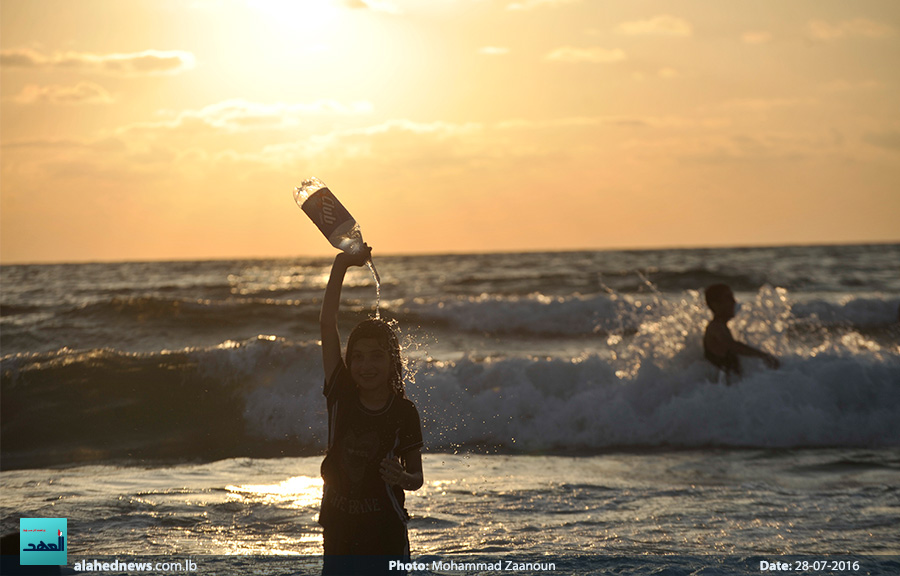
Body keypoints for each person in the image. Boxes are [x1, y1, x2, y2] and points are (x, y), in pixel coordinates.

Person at [318, 244, 424, 575]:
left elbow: (417, 478)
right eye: (359, 357)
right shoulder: (341, 397)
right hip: (338, 531)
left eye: (377, 355)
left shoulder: (404, 412)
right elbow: (327, 323)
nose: (366, 365)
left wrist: (404, 477)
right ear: (349, 363)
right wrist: (342, 264)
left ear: (393, 360)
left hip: (386, 534)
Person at [703, 283, 780, 382]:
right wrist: (763, 356)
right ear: (716, 305)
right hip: (720, 391)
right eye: (728, 298)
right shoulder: (715, 327)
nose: (734, 302)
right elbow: (732, 345)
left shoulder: (722, 326)